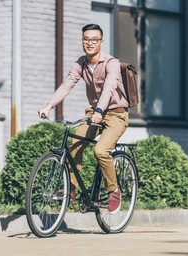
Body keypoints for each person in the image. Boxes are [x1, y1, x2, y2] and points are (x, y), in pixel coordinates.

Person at [38, 23, 129, 214]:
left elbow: (109, 87)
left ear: (101, 42)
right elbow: (66, 85)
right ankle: (70, 188)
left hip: (116, 114)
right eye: (86, 39)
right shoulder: (80, 64)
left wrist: (99, 110)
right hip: (93, 114)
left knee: (101, 151)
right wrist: (49, 105)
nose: (90, 43)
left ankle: (113, 190)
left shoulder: (111, 63)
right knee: (74, 145)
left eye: (94, 40)